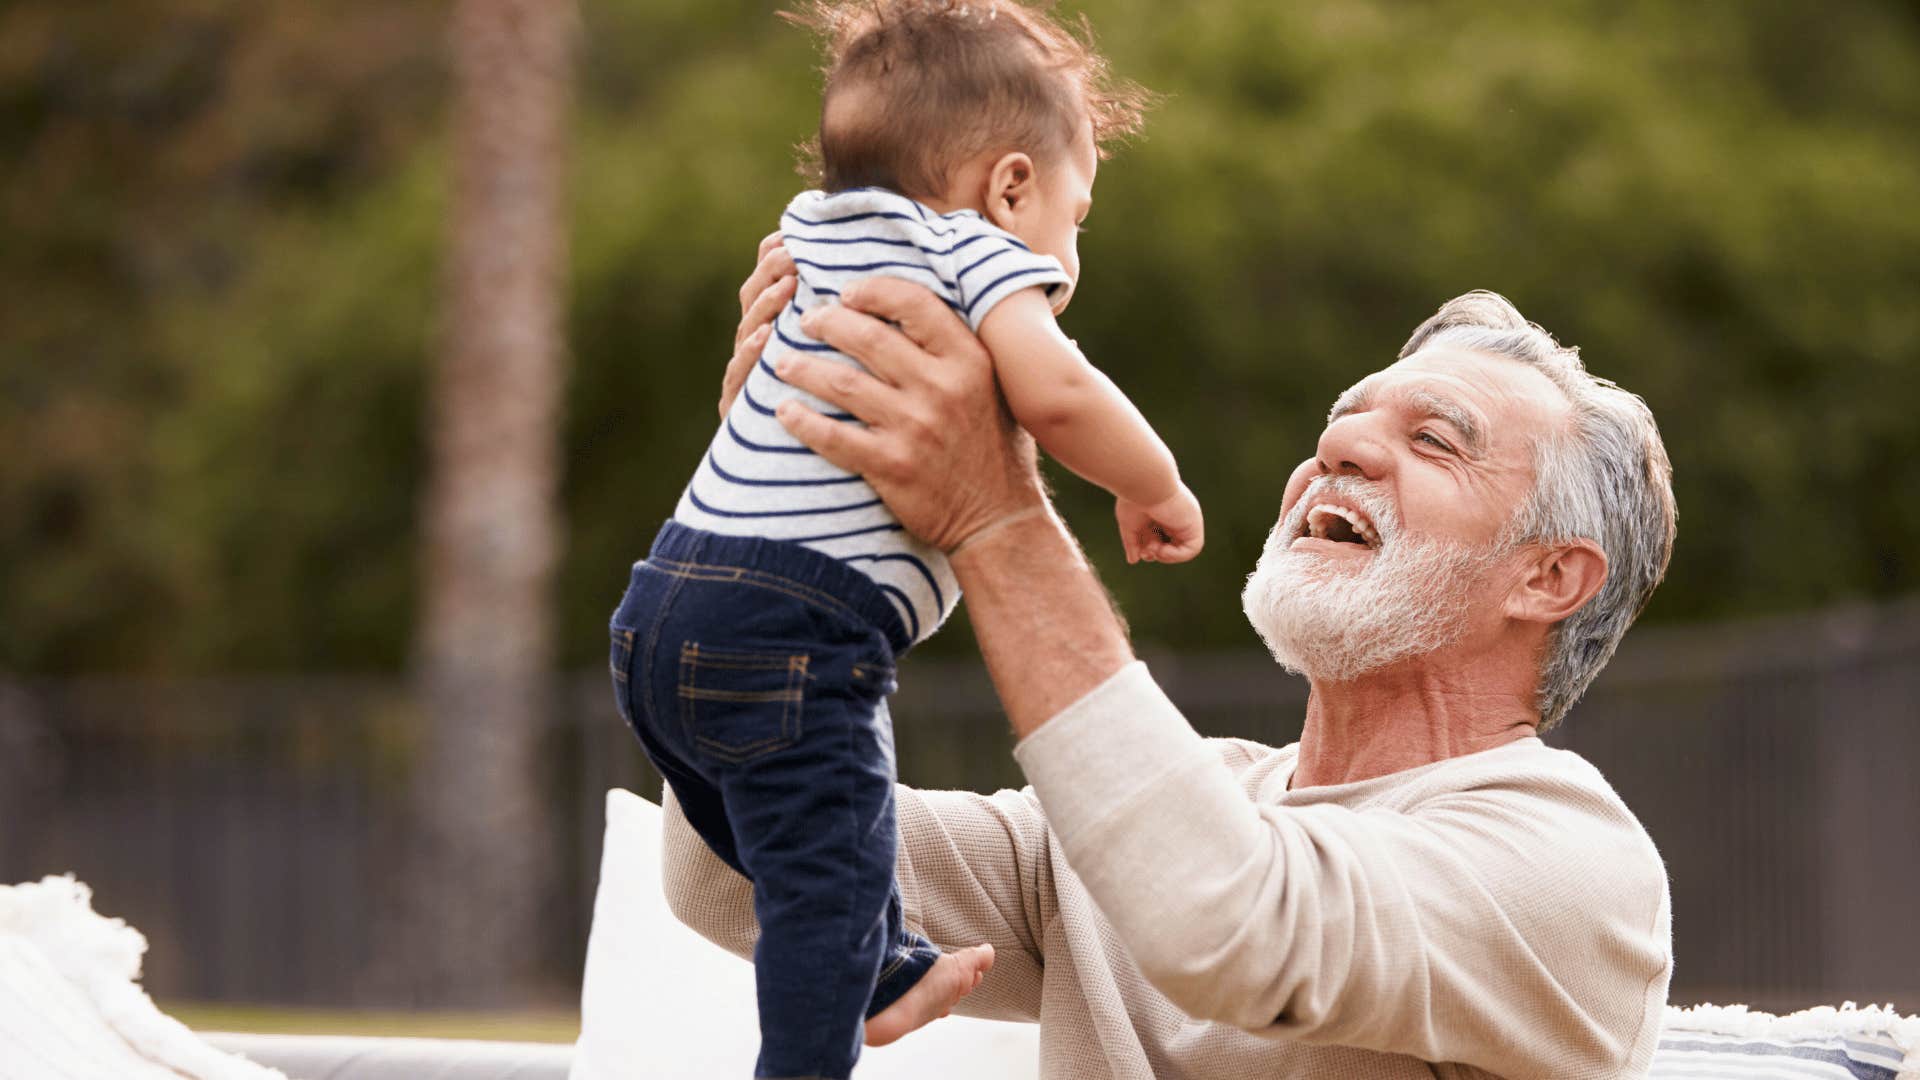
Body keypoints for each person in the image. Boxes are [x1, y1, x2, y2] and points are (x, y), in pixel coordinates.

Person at [666, 271, 1680, 1078]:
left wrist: (995, 512)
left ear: (1549, 577)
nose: (1338, 447)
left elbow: (1229, 922)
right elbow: (734, 872)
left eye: (1432, 439)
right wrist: (770, 511)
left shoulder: (1571, 860)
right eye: (1344, 417)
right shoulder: (1163, 813)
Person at [608, 3, 1200, 1078]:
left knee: (805, 842)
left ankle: (885, 964)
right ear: (1011, 185)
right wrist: (1152, 484)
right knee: (821, 892)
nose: (1073, 247)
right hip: (795, 625)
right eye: (1079, 214)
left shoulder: (812, 235)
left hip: (659, 614)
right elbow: (1060, 394)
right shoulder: (972, 252)